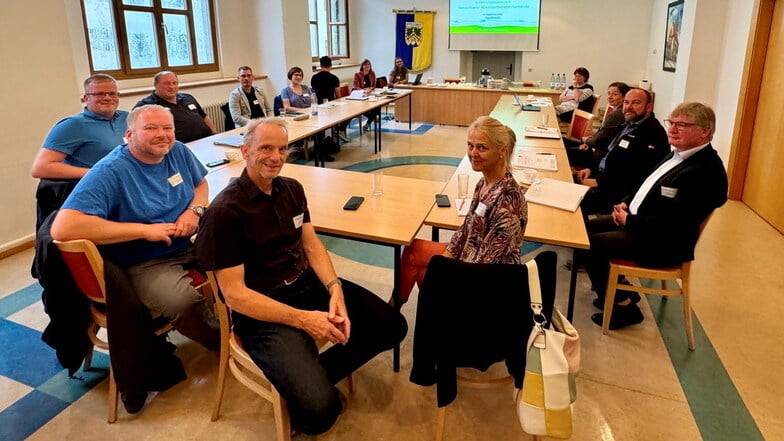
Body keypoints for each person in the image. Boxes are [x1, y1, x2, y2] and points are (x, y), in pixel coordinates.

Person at [194, 117, 407, 435]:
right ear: (245, 151)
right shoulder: (225, 212)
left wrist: (334, 289)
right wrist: (305, 321)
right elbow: (235, 295)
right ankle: (307, 386)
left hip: (305, 286)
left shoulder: (291, 189)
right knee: (322, 414)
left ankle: (310, 377)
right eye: (265, 148)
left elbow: (311, 243)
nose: (276, 157)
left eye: (281, 149)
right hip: (262, 310)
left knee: (392, 326)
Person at [51, 104, 220, 410]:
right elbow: (63, 227)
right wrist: (142, 231)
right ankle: (222, 342)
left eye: (167, 128)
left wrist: (193, 211)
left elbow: (201, 184)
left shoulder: (178, 151)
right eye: (151, 129)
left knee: (244, 251)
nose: (162, 135)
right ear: (129, 135)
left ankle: (250, 318)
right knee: (180, 301)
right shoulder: (110, 171)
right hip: (144, 259)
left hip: (186, 241)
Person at [584, 102, 728, 330]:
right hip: (642, 223)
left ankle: (624, 306)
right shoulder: (679, 154)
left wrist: (628, 220)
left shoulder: (704, 171)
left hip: (661, 243)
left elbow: (671, 225)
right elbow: (647, 185)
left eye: (682, 125)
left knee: (592, 244)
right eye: (671, 123)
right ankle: (618, 288)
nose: (672, 129)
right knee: (584, 230)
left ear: (705, 131)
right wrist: (626, 203)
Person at [396, 116, 528, 305]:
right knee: (414, 250)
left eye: (482, 148)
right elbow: (466, 230)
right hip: (470, 253)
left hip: (490, 278)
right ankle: (396, 306)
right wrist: (446, 259)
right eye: (470, 146)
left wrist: (444, 269)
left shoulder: (507, 201)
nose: (473, 153)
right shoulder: (485, 181)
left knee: (427, 274)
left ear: (502, 150)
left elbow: (487, 264)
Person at [31, 73, 128, 231]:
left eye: (112, 93)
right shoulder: (73, 125)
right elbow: (40, 168)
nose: (108, 97)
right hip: (94, 194)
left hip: (123, 187)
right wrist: (94, 173)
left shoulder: (125, 118)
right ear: (85, 98)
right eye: (99, 94)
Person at [576, 88, 669, 216]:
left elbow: (635, 173)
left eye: (636, 103)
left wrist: (598, 182)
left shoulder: (653, 133)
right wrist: (591, 169)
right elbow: (607, 152)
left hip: (616, 193)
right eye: (626, 102)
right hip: (600, 177)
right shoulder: (625, 125)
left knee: (569, 201)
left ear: (649, 107)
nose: (629, 107)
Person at [134, 71, 217, 143]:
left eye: (174, 83)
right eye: (166, 83)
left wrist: (215, 134)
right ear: (156, 85)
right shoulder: (146, 106)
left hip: (207, 140)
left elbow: (204, 117)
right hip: (180, 148)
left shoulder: (187, 97)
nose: (171, 87)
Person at [565, 82, 631, 168]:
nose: (610, 97)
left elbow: (598, 141)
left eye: (614, 94)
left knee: (562, 152)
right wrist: (589, 141)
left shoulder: (617, 115)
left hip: (597, 154)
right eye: (609, 94)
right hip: (595, 146)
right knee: (563, 142)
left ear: (624, 97)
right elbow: (603, 135)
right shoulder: (617, 111)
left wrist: (585, 140)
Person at [311, 56, 349, 143]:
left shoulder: (314, 77)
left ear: (320, 65)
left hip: (318, 106)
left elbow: (313, 93)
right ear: (331, 65)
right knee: (347, 113)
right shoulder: (334, 78)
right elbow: (338, 95)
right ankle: (338, 129)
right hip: (331, 106)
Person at [352, 59, 379, 131]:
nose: (367, 66)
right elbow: (356, 86)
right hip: (361, 95)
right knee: (364, 109)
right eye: (365, 64)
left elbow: (374, 85)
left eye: (368, 64)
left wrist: (370, 88)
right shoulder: (357, 75)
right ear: (362, 66)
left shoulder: (372, 73)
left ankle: (369, 121)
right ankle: (371, 118)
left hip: (370, 94)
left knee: (377, 106)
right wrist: (364, 90)